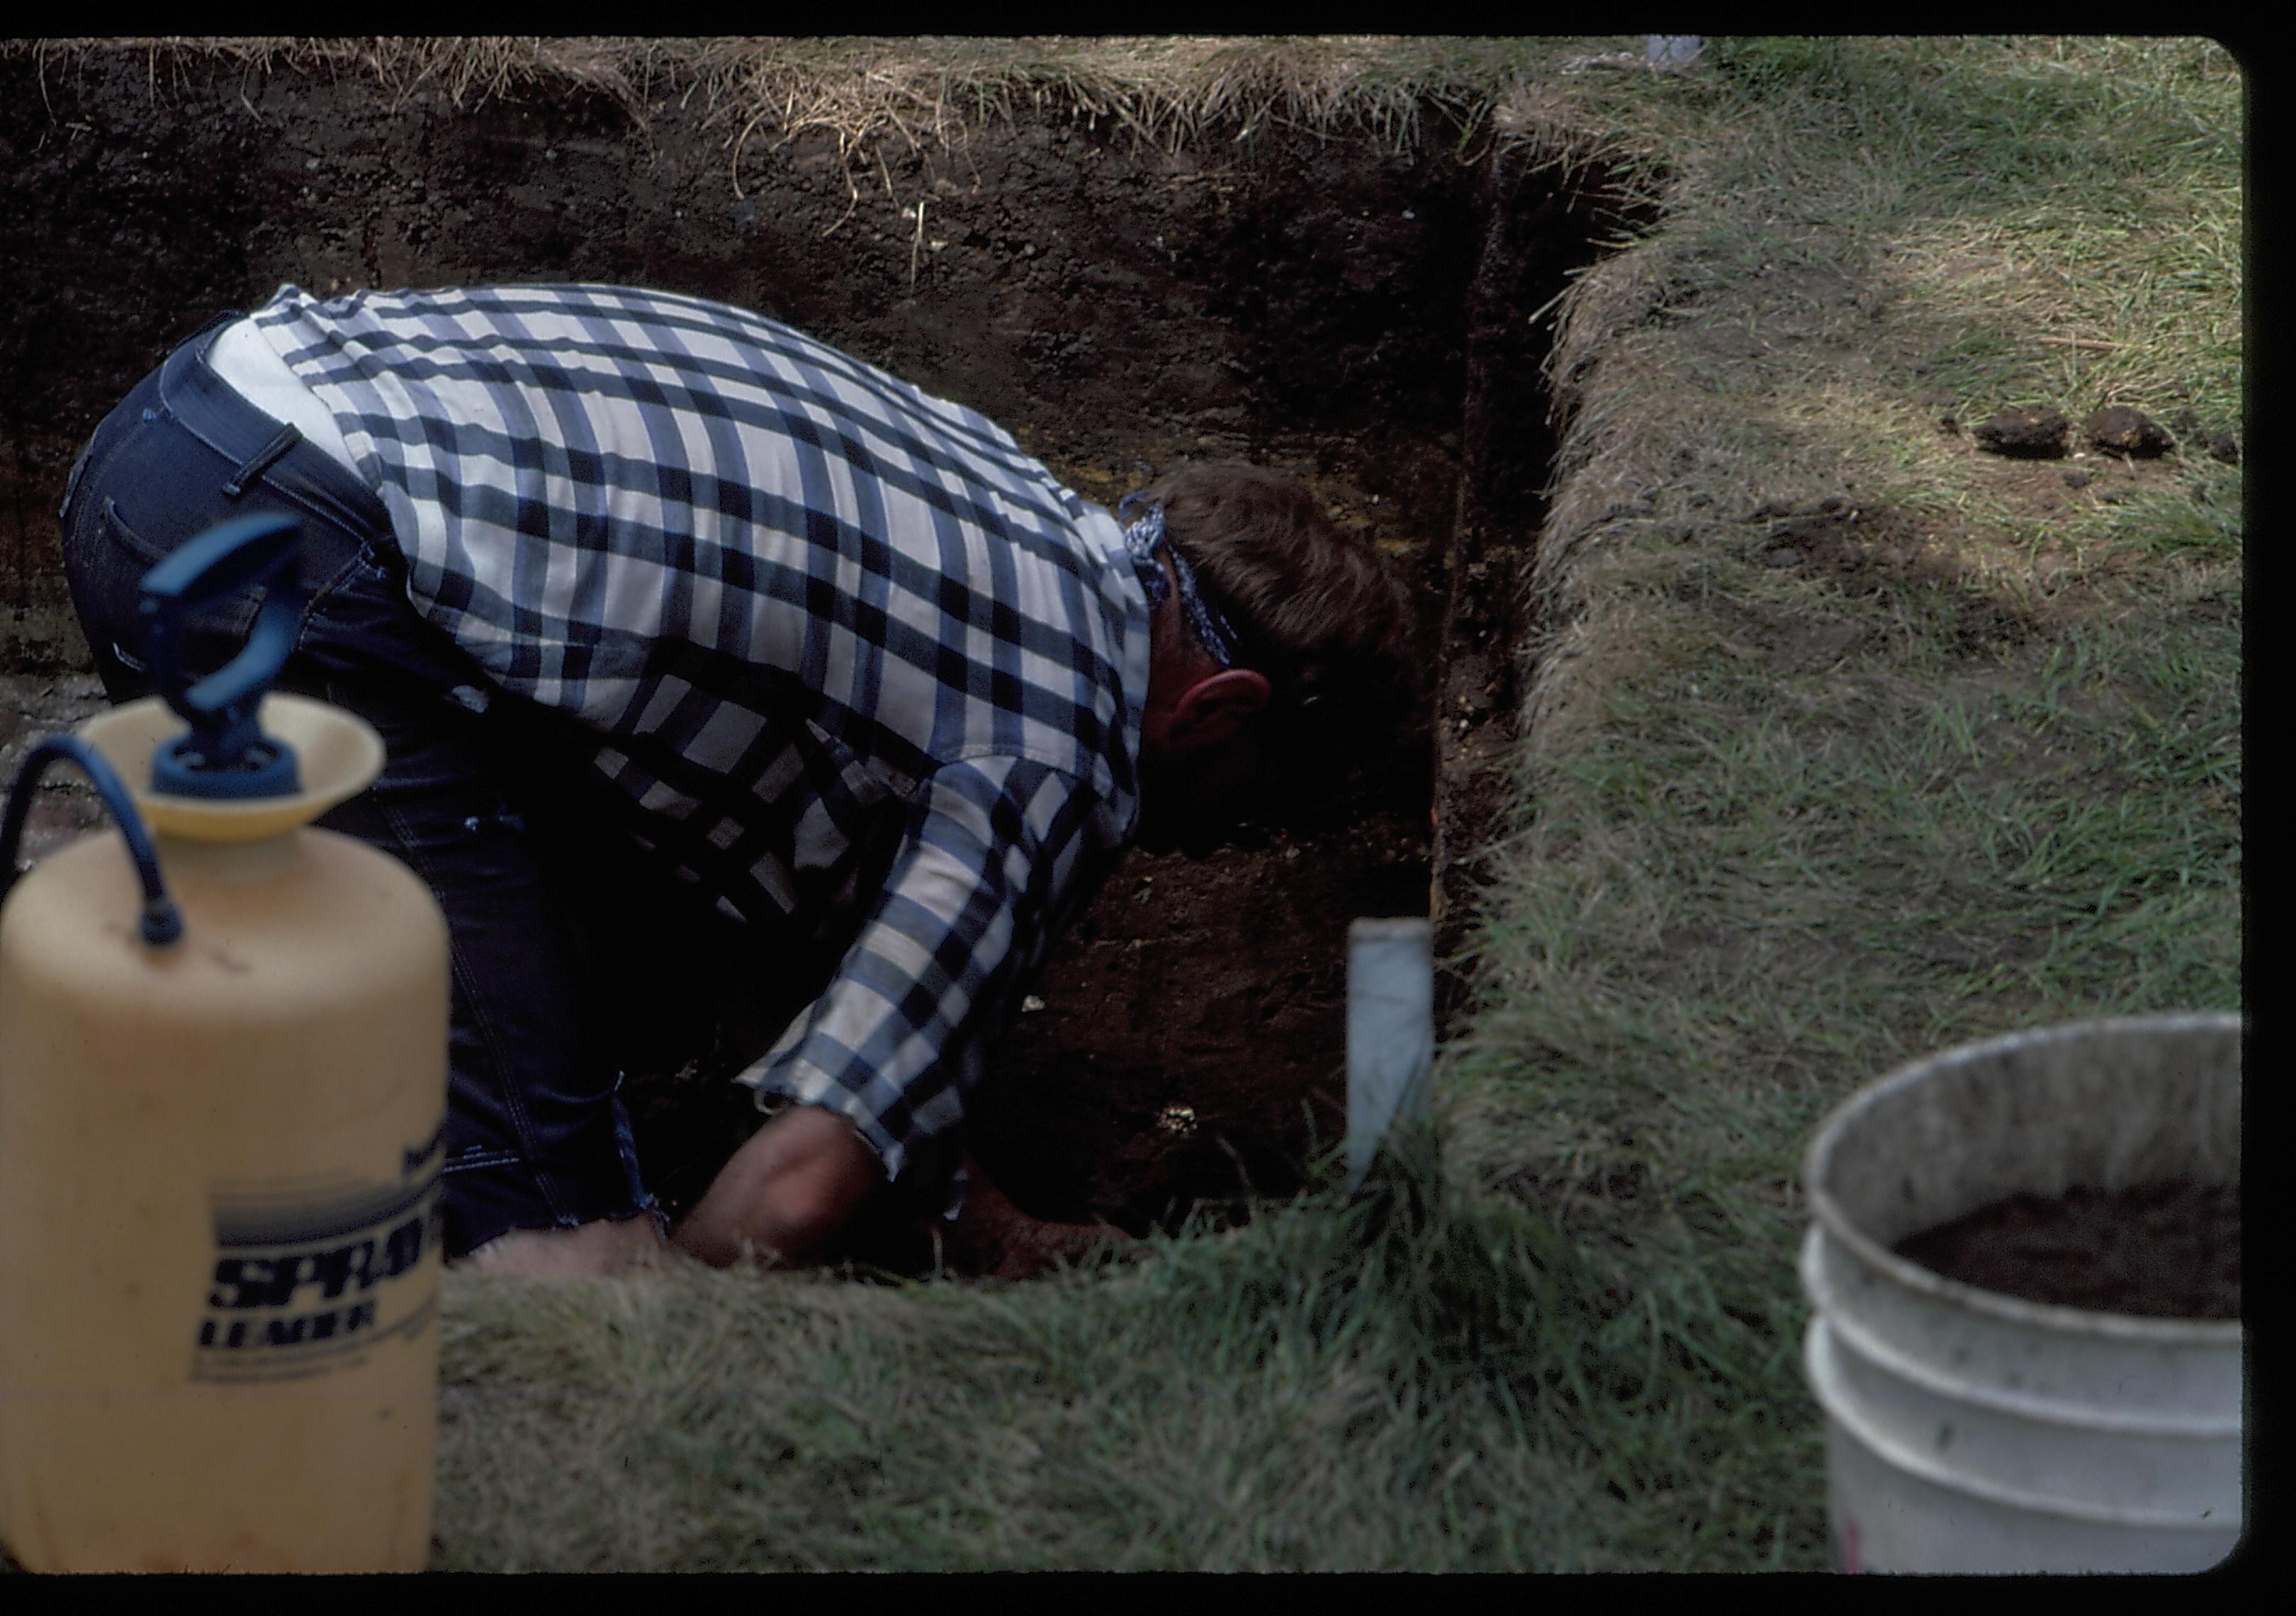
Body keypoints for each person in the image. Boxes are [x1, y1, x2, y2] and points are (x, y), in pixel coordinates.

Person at [57, 282, 1414, 1278]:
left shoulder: (1024, 510)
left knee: (577, 984)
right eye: (1258, 801)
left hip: (188, 426)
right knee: (576, 1271)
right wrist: (693, 1350)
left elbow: (867, 988)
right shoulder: (1059, 742)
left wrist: (979, 1227)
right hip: (301, 555)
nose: (1215, 847)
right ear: (1224, 707)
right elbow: (803, 1194)